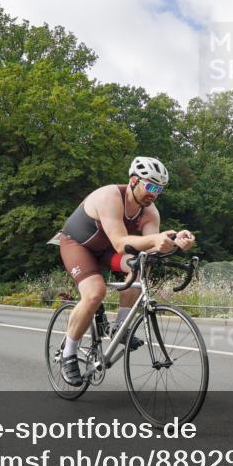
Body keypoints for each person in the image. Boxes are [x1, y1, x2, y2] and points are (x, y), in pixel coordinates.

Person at [47, 156, 195, 386]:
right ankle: (69, 353)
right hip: (78, 246)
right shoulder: (110, 196)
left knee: (142, 266)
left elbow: (150, 248)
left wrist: (174, 241)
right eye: (151, 186)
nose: (154, 194)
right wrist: (157, 239)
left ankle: (120, 327)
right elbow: (119, 242)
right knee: (95, 293)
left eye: (160, 189)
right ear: (134, 180)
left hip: (106, 252)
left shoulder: (150, 212)